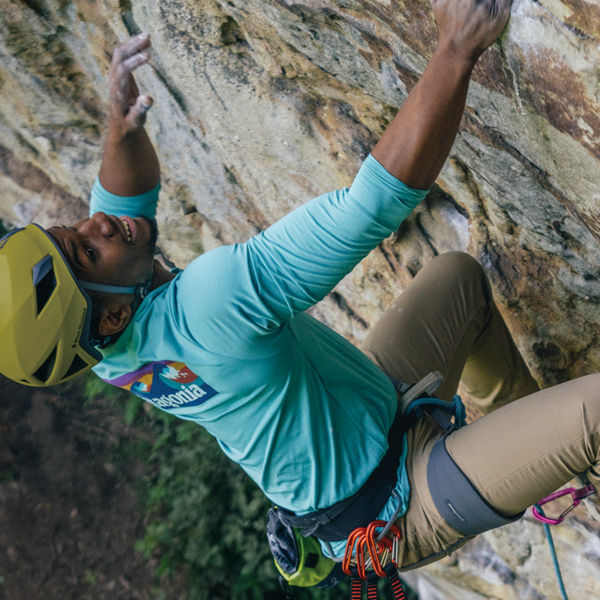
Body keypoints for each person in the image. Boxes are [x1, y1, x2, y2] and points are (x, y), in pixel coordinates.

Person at [2, 0, 600, 578]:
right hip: (401, 512)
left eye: (69, 228)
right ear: (106, 320)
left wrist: (120, 128)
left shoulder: (105, 345)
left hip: (381, 410)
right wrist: (457, 47)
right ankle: (543, 453)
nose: (95, 222)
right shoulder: (212, 305)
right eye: (85, 247)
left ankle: (537, 453)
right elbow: (371, 207)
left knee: (458, 280)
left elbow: (119, 204)